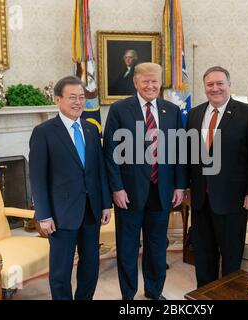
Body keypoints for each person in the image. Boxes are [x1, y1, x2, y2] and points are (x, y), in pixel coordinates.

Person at [103, 62, 187, 300]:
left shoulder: (171, 110)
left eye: (155, 81)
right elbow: (110, 152)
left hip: (161, 191)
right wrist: (116, 188)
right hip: (128, 193)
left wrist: (180, 185)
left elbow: (180, 150)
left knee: (157, 247)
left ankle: (154, 290)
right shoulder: (120, 109)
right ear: (136, 82)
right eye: (146, 81)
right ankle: (128, 295)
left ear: (161, 83)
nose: (151, 85)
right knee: (128, 248)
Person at [29, 76, 112, 300]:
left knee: (91, 265)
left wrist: (106, 204)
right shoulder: (43, 132)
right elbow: (37, 177)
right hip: (60, 213)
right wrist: (44, 215)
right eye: (72, 97)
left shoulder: (91, 129)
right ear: (58, 99)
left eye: (82, 97)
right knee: (60, 271)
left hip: (91, 210)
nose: (78, 102)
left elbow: (99, 170)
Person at [186, 66, 248, 288]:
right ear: (204, 87)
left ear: (229, 85)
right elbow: (189, 155)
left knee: (231, 258)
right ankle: (205, 297)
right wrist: (185, 187)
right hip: (201, 200)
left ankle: (228, 295)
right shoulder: (194, 114)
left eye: (219, 83)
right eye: (210, 84)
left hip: (233, 200)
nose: (215, 88)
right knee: (203, 256)